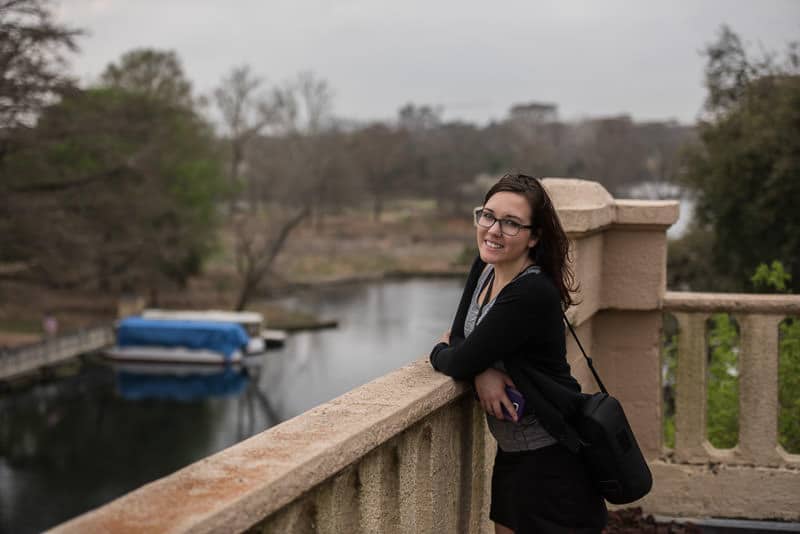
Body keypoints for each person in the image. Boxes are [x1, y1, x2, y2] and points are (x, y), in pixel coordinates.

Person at [429, 173, 607, 533]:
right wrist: (481, 369)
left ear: (534, 236)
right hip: (515, 454)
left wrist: (439, 352)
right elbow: (464, 337)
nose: (493, 230)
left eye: (511, 223)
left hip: (552, 458)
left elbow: (458, 356)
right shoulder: (485, 267)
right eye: (488, 216)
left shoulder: (532, 292)